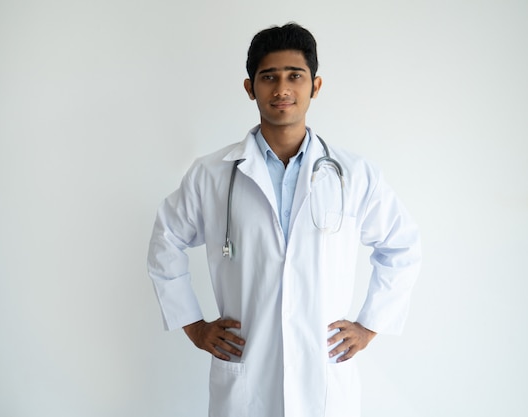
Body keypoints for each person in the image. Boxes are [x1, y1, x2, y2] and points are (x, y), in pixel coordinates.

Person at [147, 23, 421, 417]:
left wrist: (369, 325)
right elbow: (166, 241)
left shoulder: (354, 175)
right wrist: (194, 325)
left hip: (323, 379)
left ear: (316, 85)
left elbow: (402, 247)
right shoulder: (211, 174)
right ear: (249, 87)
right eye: (268, 77)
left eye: (295, 76)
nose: (282, 90)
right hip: (246, 375)